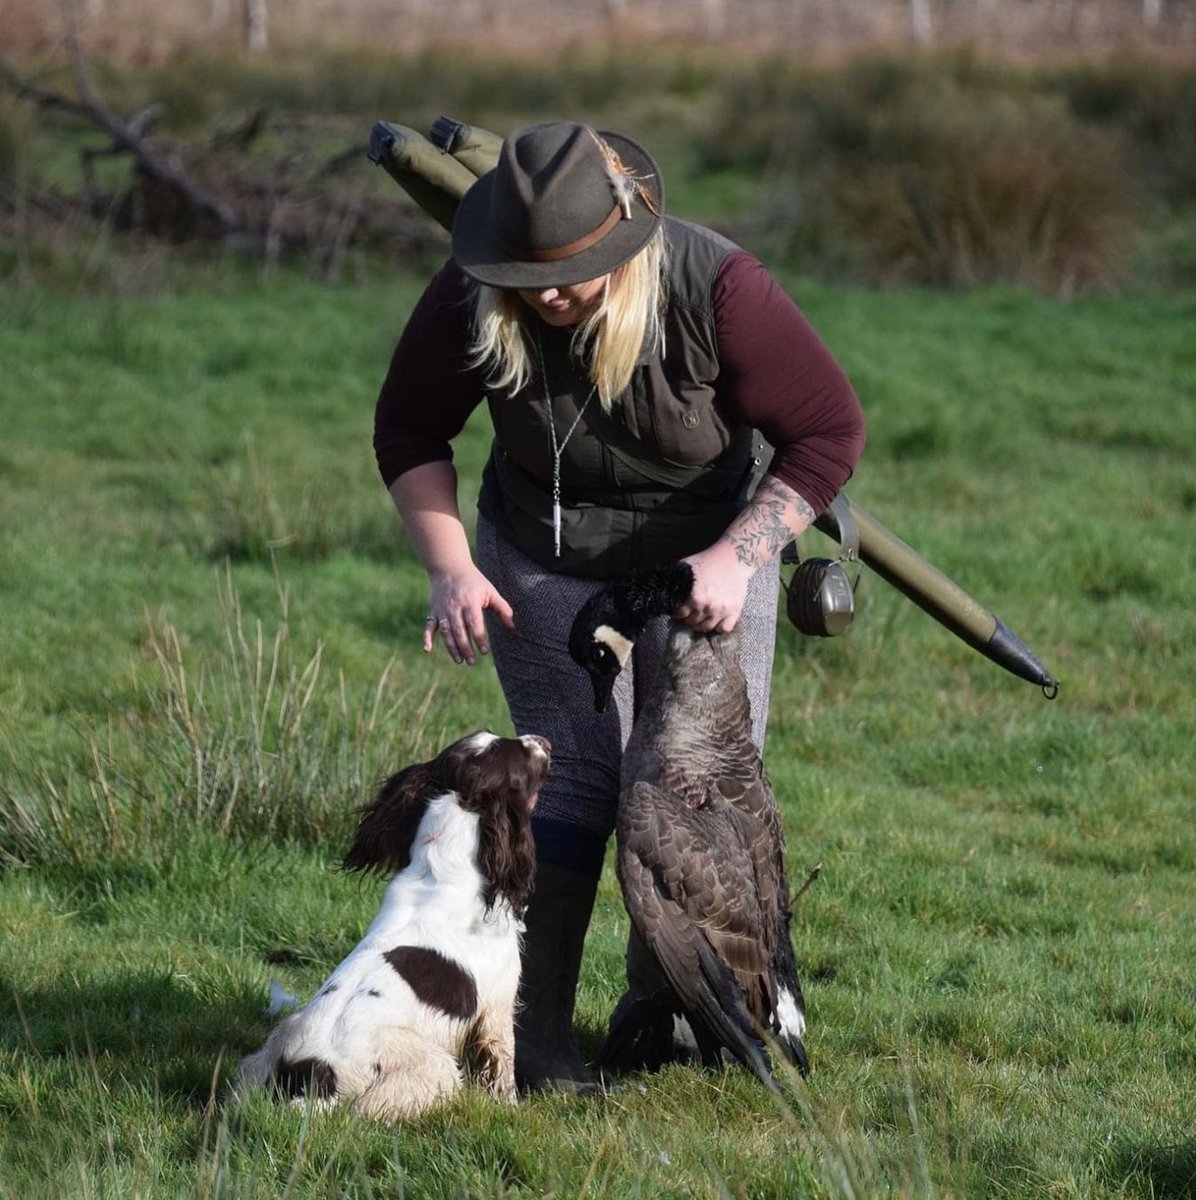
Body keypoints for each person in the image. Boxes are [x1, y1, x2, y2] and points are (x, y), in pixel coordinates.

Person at [373, 122, 865, 1092]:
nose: (548, 292)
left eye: (571, 270)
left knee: (694, 788)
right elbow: (408, 425)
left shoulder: (718, 287)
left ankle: (677, 1017)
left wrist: (735, 558)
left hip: (705, 561)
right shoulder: (473, 294)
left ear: (624, 238)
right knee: (575, 783)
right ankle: (532, 1044)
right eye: (528, 274)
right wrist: (449, 568)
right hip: (543, 557)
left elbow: (825, 431)